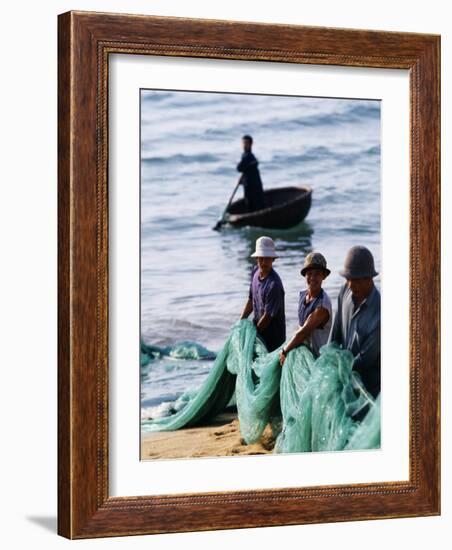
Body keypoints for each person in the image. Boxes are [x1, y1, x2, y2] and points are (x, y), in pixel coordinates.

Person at [329, 245, 381, 398]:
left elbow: (365, 360)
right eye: (348, 279)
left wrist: (340, 370)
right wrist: (329, 360)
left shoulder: (379, 313)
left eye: (356, 280)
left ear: (370, 278)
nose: (351, 285)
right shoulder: (345, 290)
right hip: (343, 376)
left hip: (367, 389)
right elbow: (334, 335)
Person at [279, 252, 332, 366]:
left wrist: (285, 350)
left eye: (317, 274)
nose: (312, 277)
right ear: (305, 275)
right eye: (309, 273)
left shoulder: (322, 305)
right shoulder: (303, 296)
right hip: (305, 353)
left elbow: (303, 332)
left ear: (324, 276)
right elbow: (300, 327)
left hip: (319, 359)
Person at [240, 236, 286, 352]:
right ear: (256, 258)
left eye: (267, 259)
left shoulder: (274, 285)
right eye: (260, 258)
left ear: (273, 259)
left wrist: (253, 335)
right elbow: (251, 300)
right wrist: (241, 320)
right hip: (260, 332)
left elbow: (267, 317)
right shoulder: (255, 272)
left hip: (273, 340)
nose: (263, 262)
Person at [236, 134, 266, 212]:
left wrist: (246, 168)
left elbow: (239, 168)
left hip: (253, 184)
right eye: (243, 143)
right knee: (252, 202)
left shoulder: (248, 156)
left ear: (250, 144)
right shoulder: (247, 156)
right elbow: (244, 169)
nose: (244, 145)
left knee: (253, 202)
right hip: (249, 183)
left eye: (246, 143)